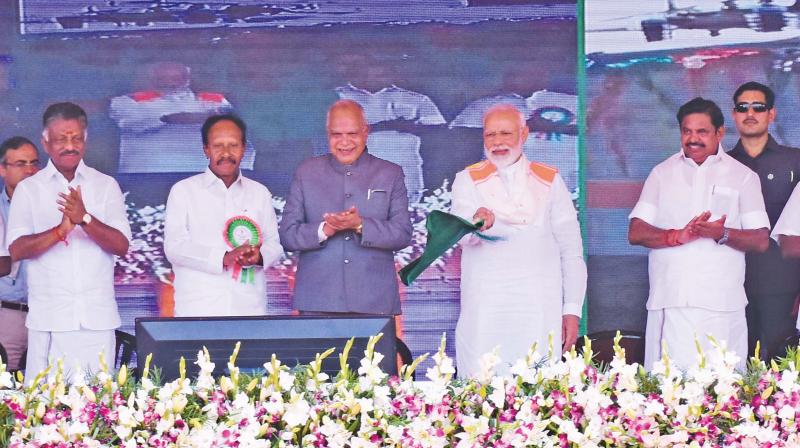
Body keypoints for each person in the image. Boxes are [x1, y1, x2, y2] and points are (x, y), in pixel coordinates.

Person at [628, 97, 769, 371]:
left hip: (722, 306)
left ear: (719, 133)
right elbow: (636, 232)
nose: (693, 138)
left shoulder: (744, 177)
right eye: (686, 131)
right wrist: (676, 236)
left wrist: (722, 233)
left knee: (722, 397)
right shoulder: (661, 173)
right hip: (670, 300)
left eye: (702, 132)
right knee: (666, 394)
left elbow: (761, 240)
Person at [450, 104, 586, 378]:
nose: (498, 142)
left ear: (524, 134)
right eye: (490, 135)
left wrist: (572, 309)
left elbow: (571, 250)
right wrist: (475, 223)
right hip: (486, 308)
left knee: (538, 393)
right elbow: (460, 236)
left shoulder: (550, 179)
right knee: (481, 391)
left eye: (505, 133)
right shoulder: (467, 180)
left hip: (538, 306)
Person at [7, 102, 131, 381]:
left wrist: (85, 218)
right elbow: (16, 249)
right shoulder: (29, 189)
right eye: (61, 139)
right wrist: (60, 230)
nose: (69, 145)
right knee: (44, 412)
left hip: (96, 321)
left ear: (85, 140)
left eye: (76, 138)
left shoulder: (105, 185)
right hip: (49, 319)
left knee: (98, 410)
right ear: (46, 142)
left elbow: (122, 245)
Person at [279, 100, 412, 315]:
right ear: (327, 134)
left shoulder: (389, 173)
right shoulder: (307, 172)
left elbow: (402, 234)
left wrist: (361, 225)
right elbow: (287, 235)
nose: (345, 142)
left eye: (352, 134)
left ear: (366, 132)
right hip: (317, 300)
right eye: (336, 135)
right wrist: (324, 230)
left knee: (374, 351)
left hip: (374, 301)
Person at [164, 114, 283, 316]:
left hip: (249, 309)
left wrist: (259, 256)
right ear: (206, 149)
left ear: (244, 149)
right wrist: (223, 258)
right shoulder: (183, 191)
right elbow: (174, 247)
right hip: (197, 310)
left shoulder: (259, 192)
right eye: (218, 146)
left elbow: (274, 244)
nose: (226, 153)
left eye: (233, 145)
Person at [726, 81, 800, 361]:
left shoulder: (795, 161)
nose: (750, 113)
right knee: (729, 366)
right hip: (727, 282)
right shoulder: (719, 164)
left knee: (778, 371)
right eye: (742, 107)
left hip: (783, 283)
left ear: (772, 114)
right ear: (733, 115)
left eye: (759, 107)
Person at [109, 61, 254, 174]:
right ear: (152, 78)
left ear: (188, 78)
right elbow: (132, 123)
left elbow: (239, 132)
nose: (172, 82)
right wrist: (172, 119)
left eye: (178, 77)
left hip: (207, 177)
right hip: (149, 177)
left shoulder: (215, 100)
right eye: (164, 77)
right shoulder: (127, 101)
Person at [0, 137, 39, 371]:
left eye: (34, 163)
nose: (30, 170)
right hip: (8, 314)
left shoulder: (55, 207)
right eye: (21, 164)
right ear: (3, 169)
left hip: (49, 312)